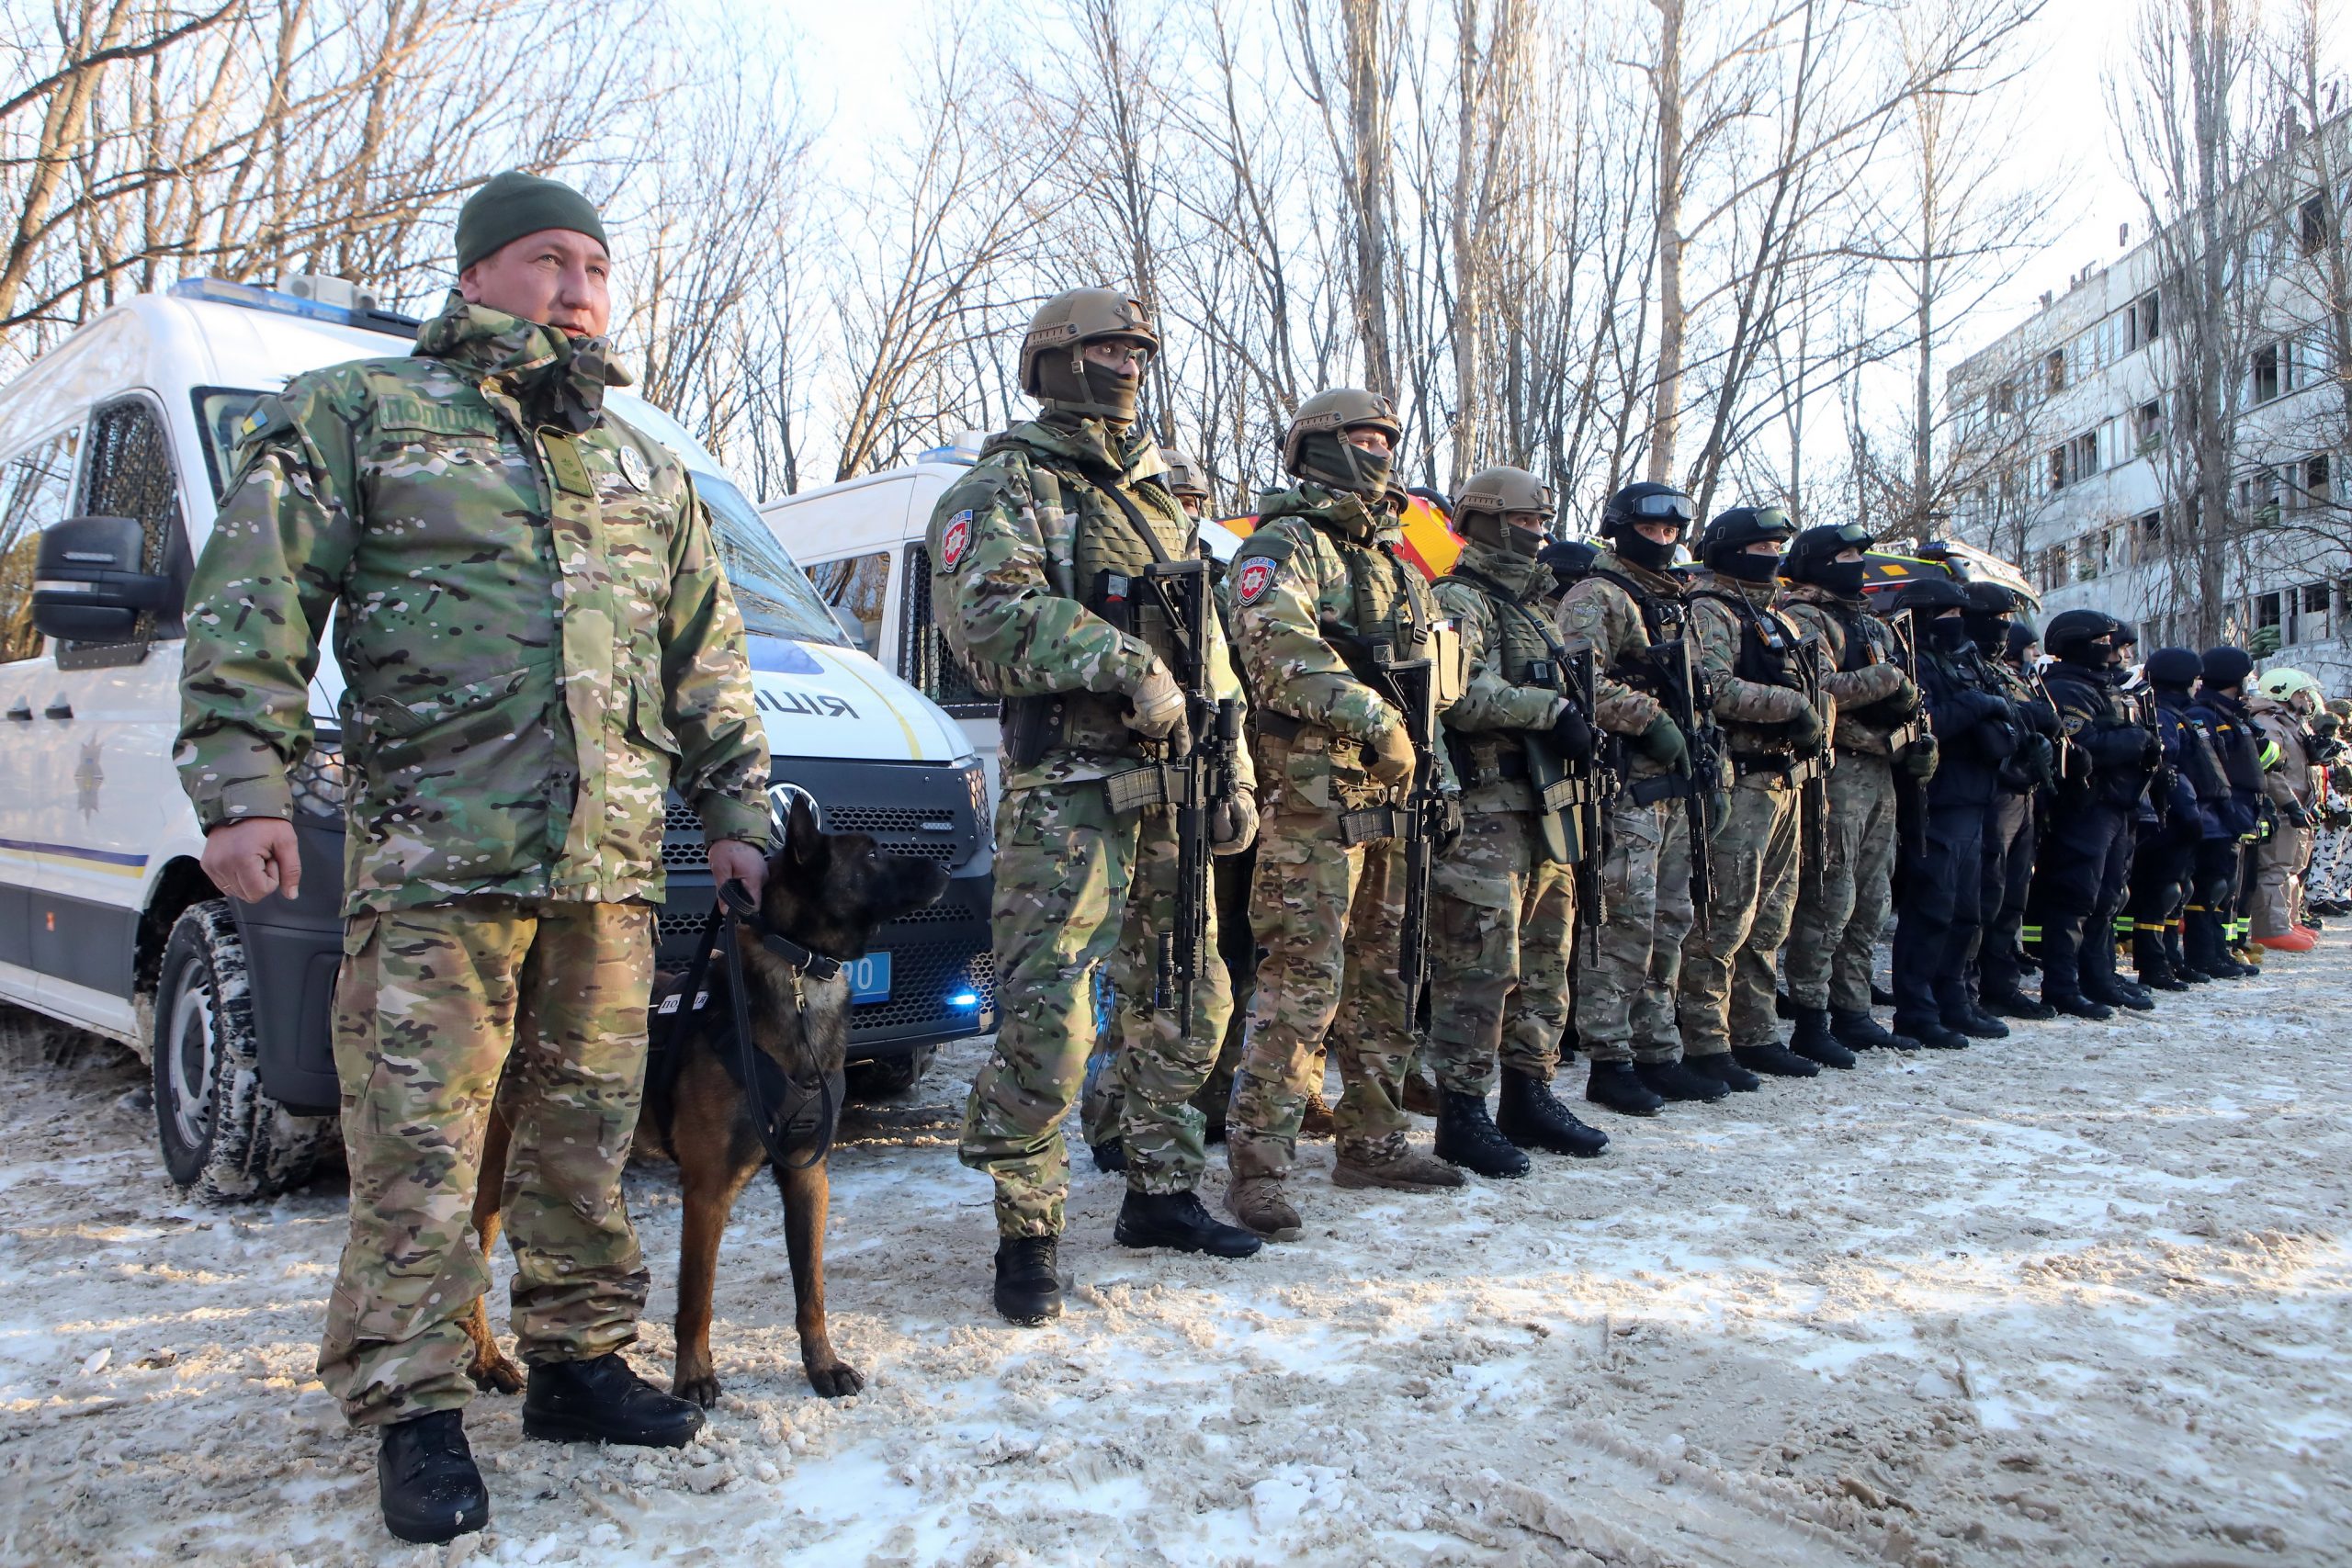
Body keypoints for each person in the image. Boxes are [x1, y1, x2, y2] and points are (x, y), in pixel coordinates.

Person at [175, 172, 768, 1543]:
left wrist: (737, 807)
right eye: (546, 260)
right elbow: (255, 596)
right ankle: (414, 1406)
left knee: (586, 1136)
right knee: (423, 1148)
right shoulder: (362, 413)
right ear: (475, 276)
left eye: (596, 268)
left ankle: (575, 1362)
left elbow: (708, 653)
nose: (576, 289)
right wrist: (242, 783)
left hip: (608, 867)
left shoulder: (643, 463)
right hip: (439, 865)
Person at [929, 288, 1264, 1327]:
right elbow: (986, 621)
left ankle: (1160, 1194)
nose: (1128, 364)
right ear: (1054, 361)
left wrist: (1235, 768)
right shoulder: (1008, 484)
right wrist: (1123, 665)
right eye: (1108, 347)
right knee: (1051, 1019)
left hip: (1176, 789)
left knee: (1189, 997)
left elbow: (1212, 650)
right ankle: (1027, 1233)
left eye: (1140, 349)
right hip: (1070, 796)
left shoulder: (1164, 497)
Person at [1221, 389, 1466, 1240]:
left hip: (1396, 797)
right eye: (1361, 437)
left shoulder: (1401, 562)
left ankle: (1373, 1140)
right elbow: (1277, 652)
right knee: (1302, 985)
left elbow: (1434, 685)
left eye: (1386, 438)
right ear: (1318, 447)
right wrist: (1375, 720)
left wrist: (1443, 775)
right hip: (1313, 804)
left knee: (1388, 975)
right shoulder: (1286, 545)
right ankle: (1258, 1166)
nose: (1378, 451)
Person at [1423, 466, 1609, 1176]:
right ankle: (1461, 1109)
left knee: (1544, 958)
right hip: (1486, 813)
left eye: (1542, 522)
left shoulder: (1535, 606)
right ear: (1491, 522)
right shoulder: (1459, 599)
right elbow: (1455, 692)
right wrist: (1550, 711)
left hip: (1546, 810)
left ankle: (1529, 1091)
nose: (1538, 533)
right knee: (1479, 964)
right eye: (1527, 521)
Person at [1555, 482, 1724, 1114]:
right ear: (1622, 527)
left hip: (1677, 783)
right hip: (1626, 783)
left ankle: (1657, 1046)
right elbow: (1577, 681)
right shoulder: (1596, 596)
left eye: (1673, 530)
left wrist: (1709, 761)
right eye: (1652, 529)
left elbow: (1701, 690)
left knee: (1672, 919)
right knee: (1624, 920)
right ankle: (1610, 1055)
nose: (1664, 540)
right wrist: (1648, 717)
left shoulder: (1673, 602)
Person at [1679, 507, 1838, 1081]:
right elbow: (1714, 689)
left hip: (1787, 779)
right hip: (1740, 777)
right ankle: (1705, 1038)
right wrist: (1792, 707)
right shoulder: (1708, 610)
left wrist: (1818, 720)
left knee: (1772, 917)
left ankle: (1755, 1030)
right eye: (1760, 545)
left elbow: (1821, 682)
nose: (1770, 555)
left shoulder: (1781, 617)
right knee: (1725, 916)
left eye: (1778, 546)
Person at [1777, 524, 1923, 1056]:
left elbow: (1906, 693)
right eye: (1845, 554)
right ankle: (1811, 1014)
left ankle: (1852, 1006)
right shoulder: (1803, 616)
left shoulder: (1870, 621)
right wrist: (1884, 683)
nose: (1856, 562)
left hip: (1878, 775)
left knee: (1872, 898)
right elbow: (1817, 696)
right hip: (1833, 774)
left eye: (1860, 553)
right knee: (1827, 896)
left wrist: (1911, 740)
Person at [1887, 578, 2015, 1049]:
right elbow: (1926, 721)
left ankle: (1954, 999)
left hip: (1976, 795)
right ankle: (1918, 1010)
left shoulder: (1967, 662)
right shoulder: (1909, 663)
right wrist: (1977, 706)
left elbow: (2007, 720)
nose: (1956, 624)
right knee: (1932, 911)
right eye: (1944, 615)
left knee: (1967, 911)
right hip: (1935, 801)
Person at [2029, 611, 2161, 1016]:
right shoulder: (2067, 688)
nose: (2114, 649)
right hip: (2085, 805)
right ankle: (2063, 985)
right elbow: (2080, 745)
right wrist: (2136, 740)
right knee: (2075, 897)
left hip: (2117, 804)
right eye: (2104, 641)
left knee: (2107, 897)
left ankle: (2098, 977)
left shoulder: (2103, 687)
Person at [1977, 617, 2061, 1016]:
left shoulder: (2017, 679)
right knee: (1988, 896)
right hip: (1997, 794)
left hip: (2024, 792)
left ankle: (2001, 983)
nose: (2034, 657)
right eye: (2029, 649)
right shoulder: (1985, 672)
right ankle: (1975, 985)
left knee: (2013, 897)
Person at [2135, 648, 2233, 985]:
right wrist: (2189, 813)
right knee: (2161, 892)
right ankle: (2153, 964)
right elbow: (2170, 770)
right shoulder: (2163, 714)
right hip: (2170, 816)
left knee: (2179, 891)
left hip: (2187, 815)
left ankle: (2171, 958)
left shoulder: (2181, 713)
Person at [2186, 648, 2266, 978]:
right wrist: (2228, 809)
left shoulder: (2229, 713)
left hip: (2235, 814)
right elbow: (2212, 770)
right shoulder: (2205, 714)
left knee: (2225, 887)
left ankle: (2219, 950)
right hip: (2217, 815)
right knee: (2210, 887)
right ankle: (2204, 955)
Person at [2246, 667, 2323, 952]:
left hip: (2296, 805)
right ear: (2284, 693)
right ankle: (2271, 928)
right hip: (2280, 805)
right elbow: (2271, 770)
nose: (2308, 700)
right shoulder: (2269, 723)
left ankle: (2288, 920)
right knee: (2274, 868)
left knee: (2292, 868)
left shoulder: (2291, 723)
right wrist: (2289, 803)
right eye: (2302, 693)